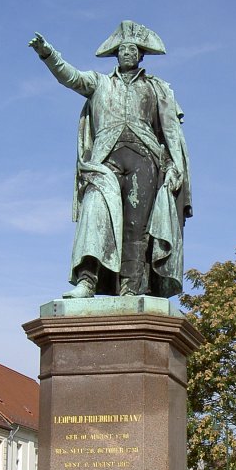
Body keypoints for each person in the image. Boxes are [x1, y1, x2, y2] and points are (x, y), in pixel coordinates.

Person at [29, 21, 191, 299]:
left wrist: (176, 166)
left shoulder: (157, 88)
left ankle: (132, 289)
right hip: (105, 159)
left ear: (140, 55)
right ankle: (87, 281)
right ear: (116, 54)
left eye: (133, 49)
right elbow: (70, 76)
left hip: (145, 159)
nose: (127, 53)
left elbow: (171, 132)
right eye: (123, 49)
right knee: (95, 210)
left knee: (136, 227)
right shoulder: (99, 82)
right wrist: (48, 54)